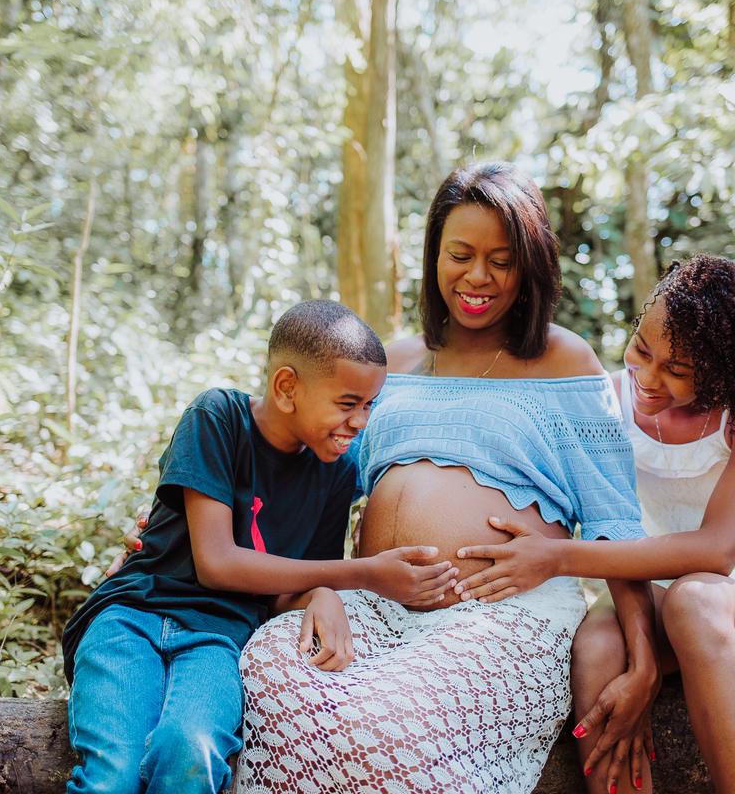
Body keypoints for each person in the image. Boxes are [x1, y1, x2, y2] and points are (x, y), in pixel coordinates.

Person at [228, 161, 653, 794]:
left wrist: (643, 661)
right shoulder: (391, 363)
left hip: (500, 615)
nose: (477, 277)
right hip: (371, 605)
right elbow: (296, 471)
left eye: (501, 261)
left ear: (530, 267)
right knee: (265, 669)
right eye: (460, 255)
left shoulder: (564, 360)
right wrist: (190, 516)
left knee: (391, 732)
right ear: (433, 256)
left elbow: (615, 521)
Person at [61, 300, 460, 794]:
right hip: (132, 617)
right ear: (287, 388)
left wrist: (321, 592)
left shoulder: (337, 473)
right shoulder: (217, 417)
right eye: (347, 403)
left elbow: (288, 586)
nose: (361, 421)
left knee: (189, 752)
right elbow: (216, 564)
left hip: (219, 640)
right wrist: (361, 574)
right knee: (115, 773)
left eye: (369, 405)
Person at [452, 255, 735, 794]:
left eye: (678, 371)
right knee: (597, 649)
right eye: (642, 350)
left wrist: (558, 557)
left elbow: (717, 552)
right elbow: (604, 520)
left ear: (721, 373)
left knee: (696, 600)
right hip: (650, 590)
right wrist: (641, 664)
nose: (647, 378)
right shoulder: (605, 401)